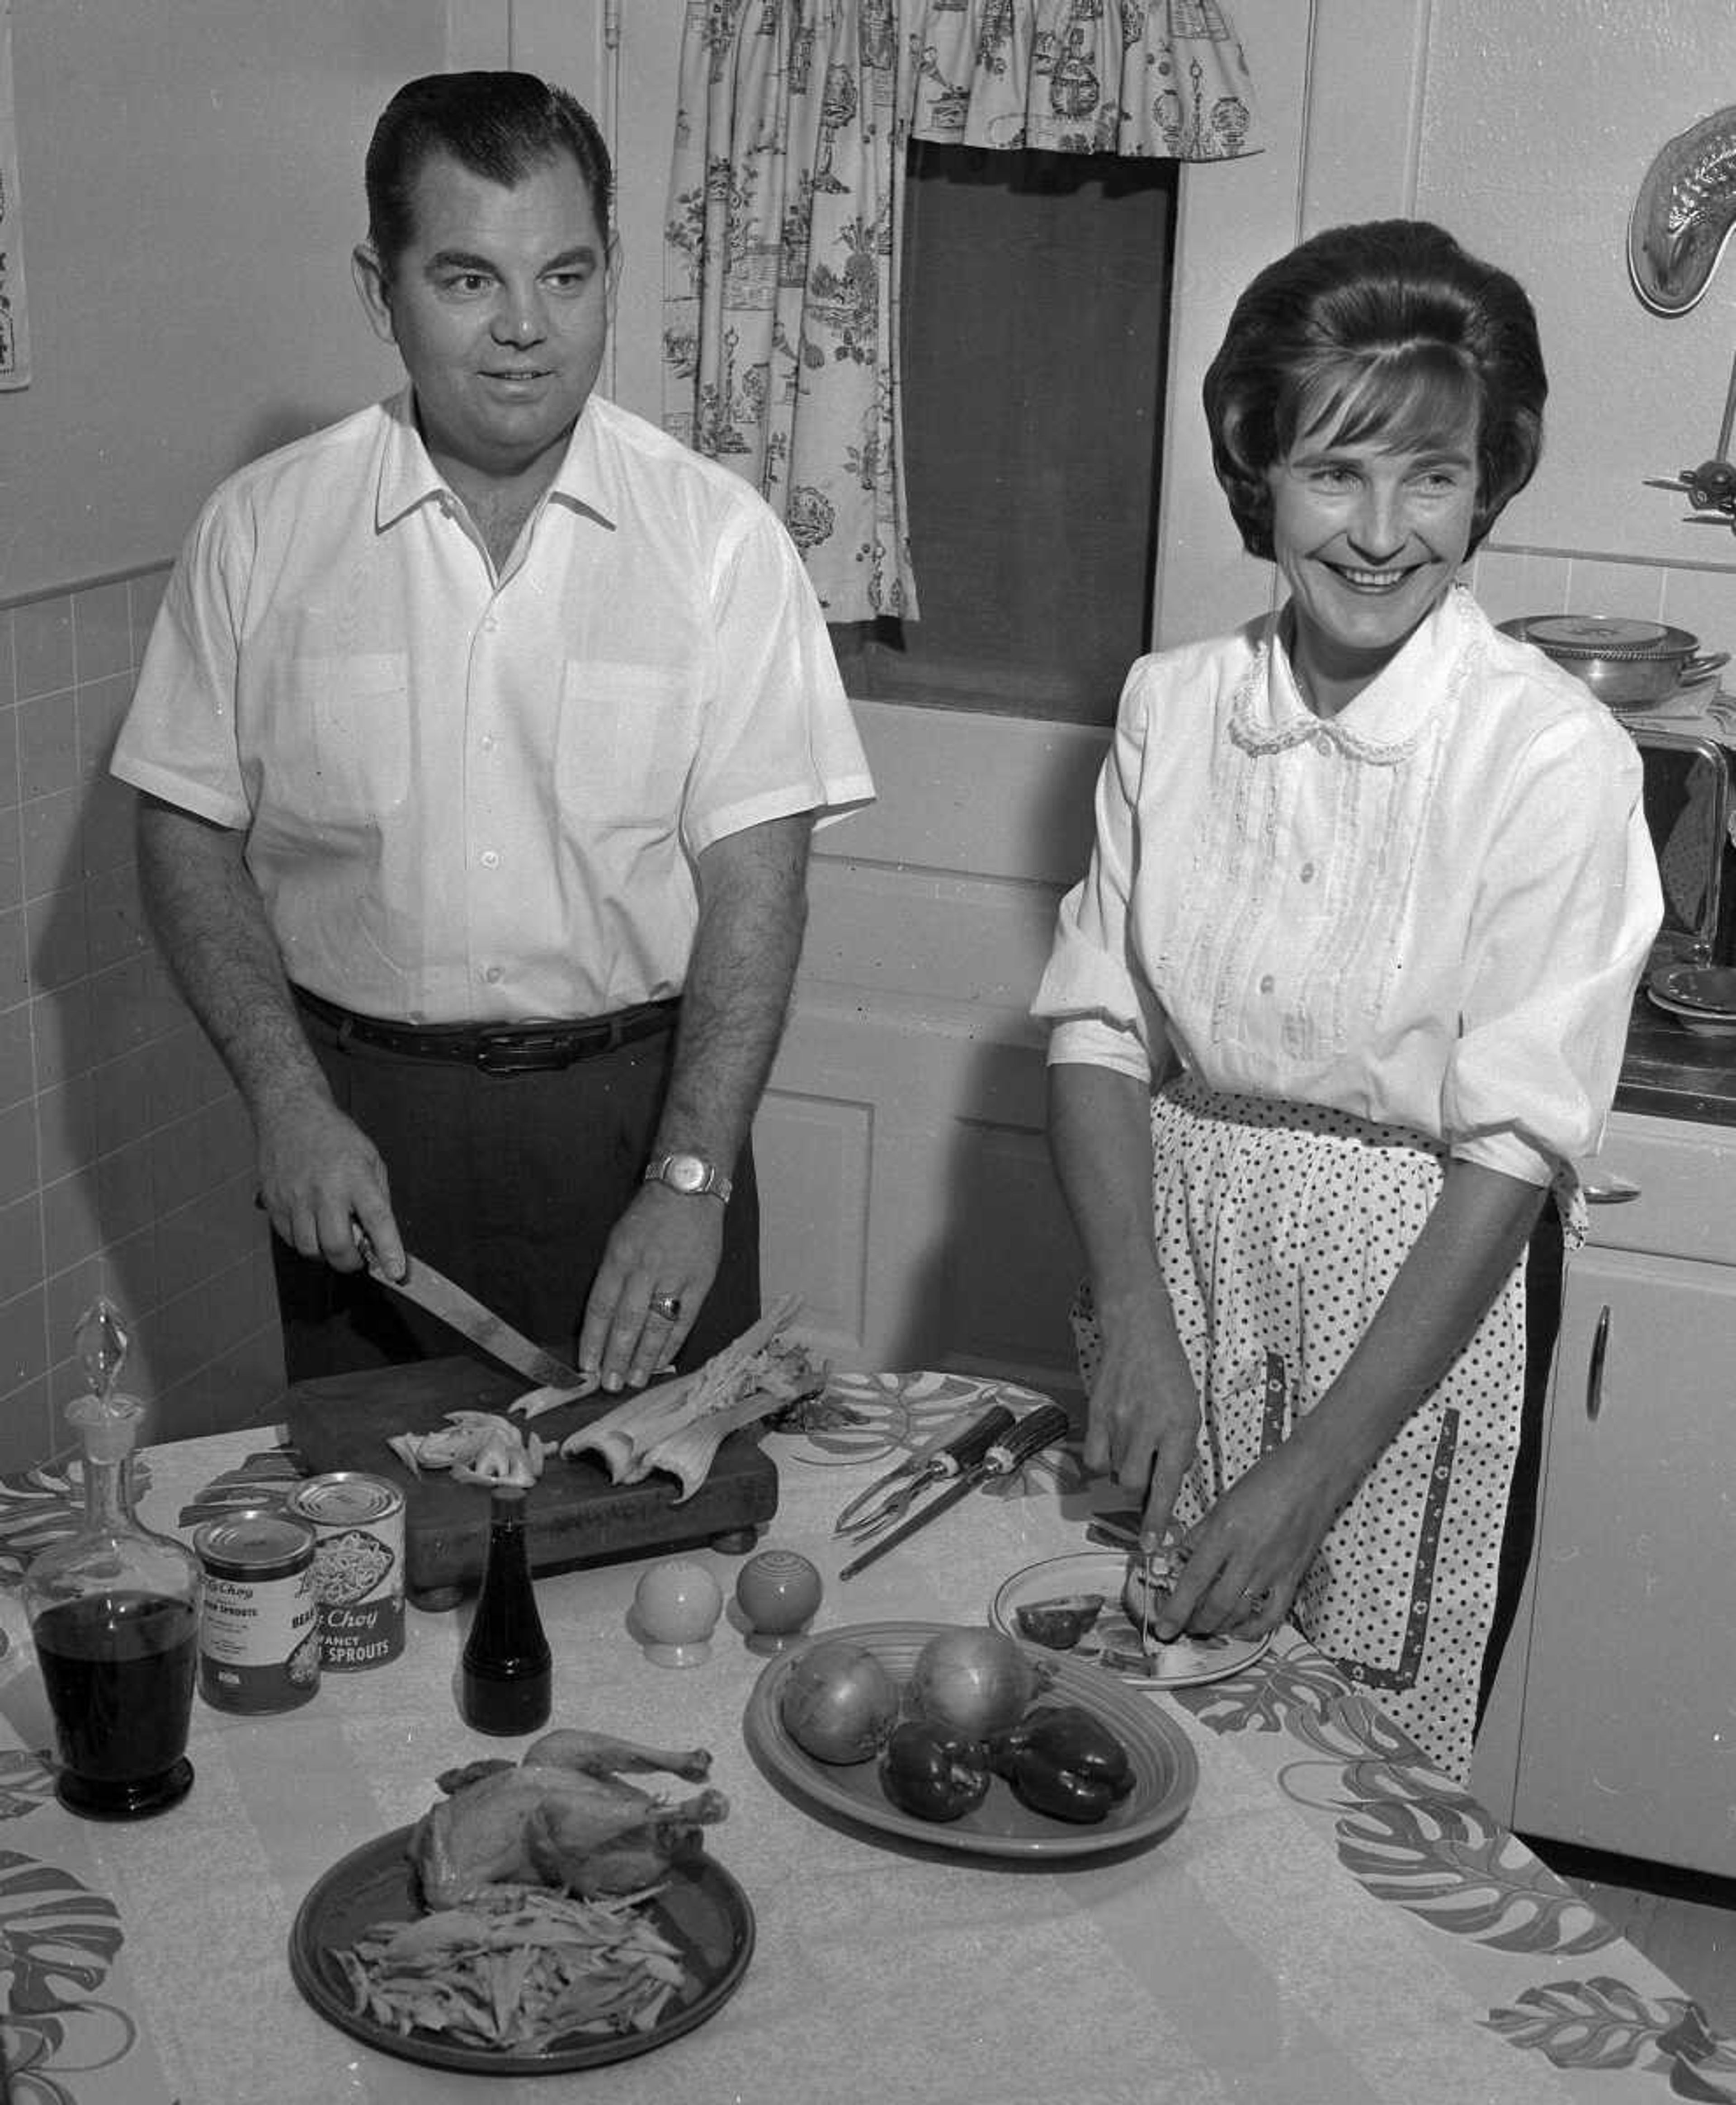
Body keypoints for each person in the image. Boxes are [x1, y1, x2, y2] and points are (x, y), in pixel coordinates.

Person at [111, 72, 873, 1395]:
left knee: (665, 1543)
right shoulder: (261, 530)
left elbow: (760, 884)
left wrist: (692, 1175)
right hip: (366, 1136)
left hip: (642, 1124)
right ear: (380, 288)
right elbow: (184, 831)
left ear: (611, 274)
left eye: (567, 277)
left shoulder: (718, 543)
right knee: (382, 1553)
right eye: (469, 280)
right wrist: (287, 1104)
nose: (528, 329)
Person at [1033, 218, 1661, 1781]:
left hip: (1410, 1326)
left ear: (1485, 487)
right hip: (1175, 1267)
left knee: (1347, 1795)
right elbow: (1101, 1030)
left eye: (1432, 479)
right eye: (1334, 472)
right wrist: (1134, 1319)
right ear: (1258, 472)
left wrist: (1319, 1470)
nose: (1382, 533)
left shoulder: (1552, 756)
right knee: (1124, 1735)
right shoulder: (1173, 709)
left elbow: (1515, 1148)